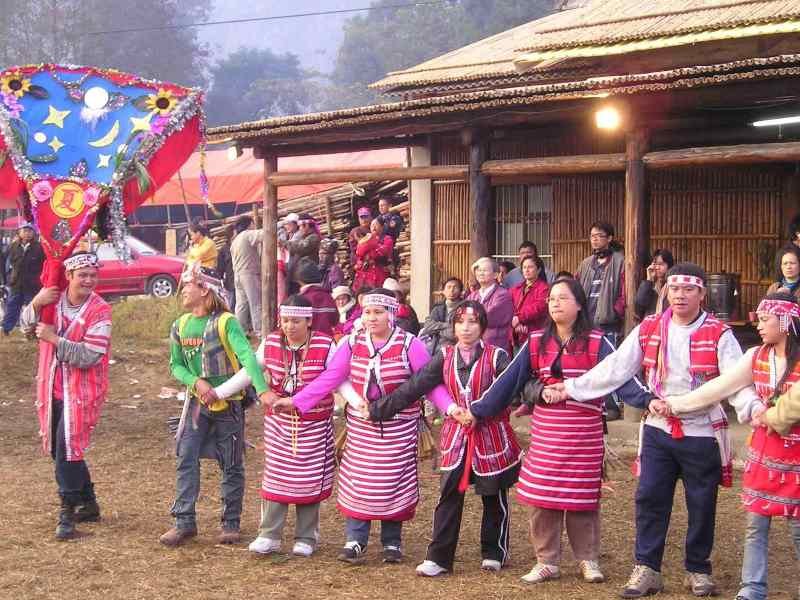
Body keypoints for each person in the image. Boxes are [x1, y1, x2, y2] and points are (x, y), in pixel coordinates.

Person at [550, 263, 759, 598]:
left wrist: (752, 408)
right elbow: (616, 368)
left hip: (701, 430)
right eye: (674, 289)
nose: (680, 295)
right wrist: (572, 388)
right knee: (650, 498)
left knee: (702, 503)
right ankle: (647, 567)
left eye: (688, 289)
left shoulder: (719, 334)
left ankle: (698, 568)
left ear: (702, 294)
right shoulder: (649, 328)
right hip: (659, 429)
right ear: (666, 292)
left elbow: (735, 380)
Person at [475, 276, 649, 585]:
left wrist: (650, 400)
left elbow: (620, 376)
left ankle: (587, 559)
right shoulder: (536, 340)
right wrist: (480, 409)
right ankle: (547, 560)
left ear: (579, 304)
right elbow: (509, 381)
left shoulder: (598, 341)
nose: (555, 303)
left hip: (584, 433)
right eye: (552, 298)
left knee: (582, 498)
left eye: (563, 298)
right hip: (547, 433)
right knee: (543, 498)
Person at [271, 289, 451, 565]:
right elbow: (331, 377)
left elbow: (428, 383)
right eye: (367, 312)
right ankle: (355, 539)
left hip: (398, 428)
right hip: (361, 428)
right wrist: (296, 401)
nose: (372, 318)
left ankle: (392, 542)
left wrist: (451, 408)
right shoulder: (352, 342)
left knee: (394, 483)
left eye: (378, 312)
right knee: (359, 482)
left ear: (391, 314)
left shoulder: (409, 344)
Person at [366, 300, 519, 575]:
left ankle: (494, 550)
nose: (466, 328)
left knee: (493, 495)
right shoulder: (445, 356)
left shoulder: (497, 357)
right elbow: (416, 385)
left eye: (473, 322)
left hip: (490, 435)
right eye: (461, 322)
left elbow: (508, 391)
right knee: (449, 494)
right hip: (456, 436)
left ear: (482, 326)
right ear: (453, 326)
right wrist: (379, 410)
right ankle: (439, 557)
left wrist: (480, 412)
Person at [665, 292, 800, 600]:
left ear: (786, 321)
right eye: (758, 319)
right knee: (756, 521)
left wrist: (771, 415)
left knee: (798, 526)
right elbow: (719, 386)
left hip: (796, 453)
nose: (759, 326)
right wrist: (677, 404)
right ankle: (752, 587)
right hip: (766, 449)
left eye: (765, 320)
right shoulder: (756, 356)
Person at [213, 295, 338, 557]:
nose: (289, 326)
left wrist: (358, 403)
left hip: (313, 424)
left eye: (295, 320)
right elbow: (250, 371)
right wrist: (220, 392)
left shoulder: (326, 345)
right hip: (280, 422)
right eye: (285, 320)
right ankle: (269, 533)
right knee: (277, 477)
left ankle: (306, 536)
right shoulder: (271, 342)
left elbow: (336, 378)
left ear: (308, 321)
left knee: (309, 478)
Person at [161, 264, 270, 547]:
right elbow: (176, 364)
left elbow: (247, 356)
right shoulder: (180, 325)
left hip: (229, 406)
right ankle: (183, 521)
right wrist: (197, 382)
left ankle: (230, 523)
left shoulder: (226, 322)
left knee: (231, 462)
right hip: (196, 405)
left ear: (205, 289)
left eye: (189, 286)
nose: (183, 291)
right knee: (186, 456)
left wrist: (262, 390)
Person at [20, 252, 111, 540]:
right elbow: (26, 329)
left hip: (83, 391)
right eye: (82, 275)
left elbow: (89, 356)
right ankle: (89, 503)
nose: (88, 280)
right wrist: (36, 302)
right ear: (69, 276)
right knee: (61, 450)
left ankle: (67, 515)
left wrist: (54, 339)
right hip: (52, 388)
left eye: (92, 275)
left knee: (67, 448)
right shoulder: (53, 302)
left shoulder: (100, 310)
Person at [575, 221, 625, 341]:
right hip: (586, 324)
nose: (594, 239)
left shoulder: (620, 262)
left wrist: (615, 311)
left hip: (609, 326)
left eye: (599, 235)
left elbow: (625, 292)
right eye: (592, 236)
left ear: (609, 238)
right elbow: (574, 288)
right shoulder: (585, 264)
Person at [2, 222, 45, 335]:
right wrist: (5, 279)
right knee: (12, 306)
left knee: (33, 308)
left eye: (30, 231)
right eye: (24, 231)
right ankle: (7, 329)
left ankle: (32, 331)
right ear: (19, 232)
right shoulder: (13, 246)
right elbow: (4, 262)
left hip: (33, 284)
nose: (27, 233)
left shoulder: (40, 247)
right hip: (16, 283)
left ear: (34, 233)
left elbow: (44, 265)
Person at [467, 257, 513, 353]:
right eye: (479, 270)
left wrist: (470, 318)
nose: (480, 273)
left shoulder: (502, 294)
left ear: (496, 275)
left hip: (495, 345)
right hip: (473, 345)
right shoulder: (472, 295)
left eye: (484, 270)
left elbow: (488, 317)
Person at [230, 216, 263, 337]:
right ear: (249, 224)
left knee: (241, 305)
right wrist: (281, 224)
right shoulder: (247, 234)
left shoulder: (235, 240)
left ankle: (240, 331)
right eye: (253, 223)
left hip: (237, 275)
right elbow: (264, 233)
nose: (254, 226)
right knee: (256, 303)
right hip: (248, 273)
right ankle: (260, 331)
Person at [510, 255, 548, 348]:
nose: (526, 270)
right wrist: (514, 322)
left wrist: (519, 318)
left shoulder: (545, 288)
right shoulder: (515, 289)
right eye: (524, 267)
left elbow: (539, 307)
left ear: (538, 270)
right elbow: (507, 307)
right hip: (515, 335)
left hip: (534, 334)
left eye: (530, 267)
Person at [419, 277, 463, 355]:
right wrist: (446, 325)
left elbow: (454, 334)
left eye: (455, 287)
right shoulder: (438, 307)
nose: (452, 290)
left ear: (460, 291)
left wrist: (437, 331)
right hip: (435, 347)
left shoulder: (464, 307)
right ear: (443, 291)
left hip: (455, 349)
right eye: (448, 287)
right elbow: (428, 326)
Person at [281, 213, 320, 295]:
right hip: (298, 275)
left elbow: (301, 248)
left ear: (307, 226)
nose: (300, 229)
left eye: (301, 226)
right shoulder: (304, 237)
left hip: (306, 275)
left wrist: (284, 243)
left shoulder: (314, 237)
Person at [296, 258, 338, 335]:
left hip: (307, 344)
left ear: (299, 280)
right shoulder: (329, 298)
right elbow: (335, 321)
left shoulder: (300, 300)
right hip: (327, 342)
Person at [352, 217, 393, 292]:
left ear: (382, 226)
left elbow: (383, 251)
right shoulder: (366, 238)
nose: (373, 227)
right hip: (366, 272)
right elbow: (359, 253)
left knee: (379, 291)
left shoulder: (387, 239)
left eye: (376, 225)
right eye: (371, 225)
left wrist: (369, 247)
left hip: (380, 270)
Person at [635, 249, 675, 319]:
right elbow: (639, 306)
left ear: (669, 265)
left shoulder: (673, 286)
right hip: (651, 325)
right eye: (655, 264)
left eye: (661, 264)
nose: (657, 267)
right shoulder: (650, 285)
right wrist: (649, 280)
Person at [216, 225, 236, 312]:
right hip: (231, 283)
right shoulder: (224, 250)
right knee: (232, 306)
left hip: (243, 280)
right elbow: (220, 269)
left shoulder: (243, 245)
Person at [348, 206, 372, 276]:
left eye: (366, 217)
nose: (364, 220)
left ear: (370, 217)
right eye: (362, 217)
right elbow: (354, 249)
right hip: (359, 262)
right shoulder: (355, 231)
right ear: (358, 219)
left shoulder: (375, 229)